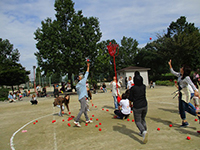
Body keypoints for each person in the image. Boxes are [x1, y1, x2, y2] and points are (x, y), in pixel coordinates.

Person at [168, 59, 200, 126]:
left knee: (185, 107)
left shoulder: (187, 78)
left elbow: (192, 84)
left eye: (182, 68)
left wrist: (196, 91)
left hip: (186, 94)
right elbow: (173, 72)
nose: (180, 68)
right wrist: (170, 65)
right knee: (181, 108)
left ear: (184, 70)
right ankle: (184, 121)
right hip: (182, 93)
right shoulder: (180, 75)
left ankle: (198, 113)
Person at [129, 73, 148, 144]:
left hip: (137, 106)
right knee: (143, 118)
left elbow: (130, 98)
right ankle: (144, 130)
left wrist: (130, 104)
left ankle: (143, 131)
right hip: (145, 105)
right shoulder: (144, 86)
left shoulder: (133, 88)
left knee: (137, 121)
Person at [74, 62, 92, 127]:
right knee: (82, 109)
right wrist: (88, 66)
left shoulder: (77, 85)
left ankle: (87, 119)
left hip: (80, 98)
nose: (80, 76)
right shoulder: (82, 82)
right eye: (79, 76)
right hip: (83, 97)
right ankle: (76, 120)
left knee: (84, 109)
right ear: (79, 79)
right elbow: (87, 73)